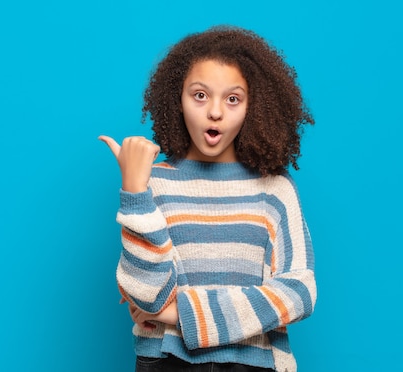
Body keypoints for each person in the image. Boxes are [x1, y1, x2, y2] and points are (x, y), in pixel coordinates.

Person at [99, 25, 316, 372]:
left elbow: (297, 292)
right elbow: (144, 294)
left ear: (253, 107)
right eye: (200, 95)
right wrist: (135, 192)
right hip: (165, 362)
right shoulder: (152, 182)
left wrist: (176, 313)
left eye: (233, 99)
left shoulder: (275, 190)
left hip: (255, 364)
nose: (215, 112)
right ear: (178, 100)